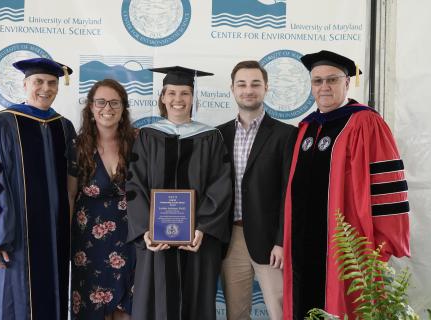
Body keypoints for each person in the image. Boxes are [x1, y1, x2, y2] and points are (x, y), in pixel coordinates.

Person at [282, 50, 410, 319]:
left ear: (347, 83)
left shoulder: (365, 122)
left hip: (347, 247)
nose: (324, 87)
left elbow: (387, 186)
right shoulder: (306, 127)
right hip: (303, 244)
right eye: (317, 81)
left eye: (332, 80)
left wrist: (382, 245)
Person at [0, 57, 75, 319]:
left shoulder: (64, 126)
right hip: (15, 242)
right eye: (38, 82)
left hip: (55, 240)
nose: (45, 88)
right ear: (25, 84)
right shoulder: (2, 124)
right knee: (13, 305)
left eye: (52, 83)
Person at [126, 66, 232, 320]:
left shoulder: (211, 137)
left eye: (184, 93)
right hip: (156, 241)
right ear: (162, 97)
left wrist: (202, 228)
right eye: (171, 92)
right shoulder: (147, 137)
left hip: (196, 242)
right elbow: (134, 185)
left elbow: (221, 185)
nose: (178, 99)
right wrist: (145, 230)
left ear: (193, 97)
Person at [217, 60, 297, 320]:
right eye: (241, 84)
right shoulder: (218, 136)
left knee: (280, 311)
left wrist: (281, 241)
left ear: (266, 88)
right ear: (232, 88)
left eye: (255, 84)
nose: (248, 90)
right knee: (236, 314)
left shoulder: (286, 135)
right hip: (231, 240)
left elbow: (289, 192)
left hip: (270, 241)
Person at [70, 79, 136, 320]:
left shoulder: (138, 143)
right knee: (91, 310)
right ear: (90, 106)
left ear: (123, 108)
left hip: (130, 239)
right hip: (88, 244)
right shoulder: (77, 147)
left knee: (127, 309)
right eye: (101, 102)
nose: (107, 108)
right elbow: (69, 195)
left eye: (114, 102)